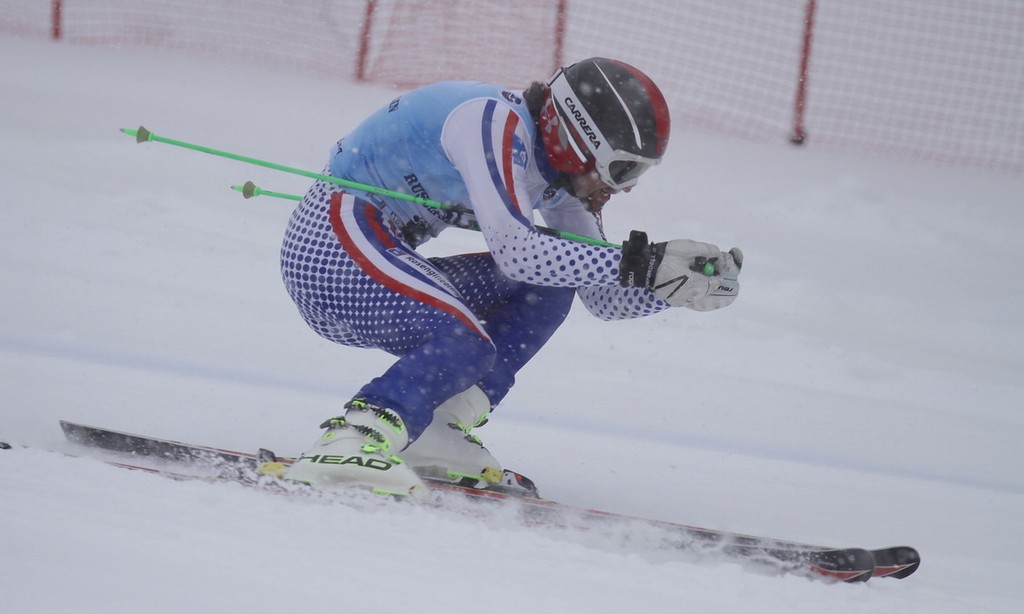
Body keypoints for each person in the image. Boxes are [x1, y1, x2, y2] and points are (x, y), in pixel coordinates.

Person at [279, 57, 742, 496]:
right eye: (623, 169)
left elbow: (600, 297)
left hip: (375, 262)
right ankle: (357, 437)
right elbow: (516, 252)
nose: (624, 188)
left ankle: (435, 425)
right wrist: (641, 263)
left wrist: (672, 286)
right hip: (329, 247)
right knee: (466, 341)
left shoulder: (560, 182)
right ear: (575, 140)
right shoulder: (491, 122)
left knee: (550, 283)